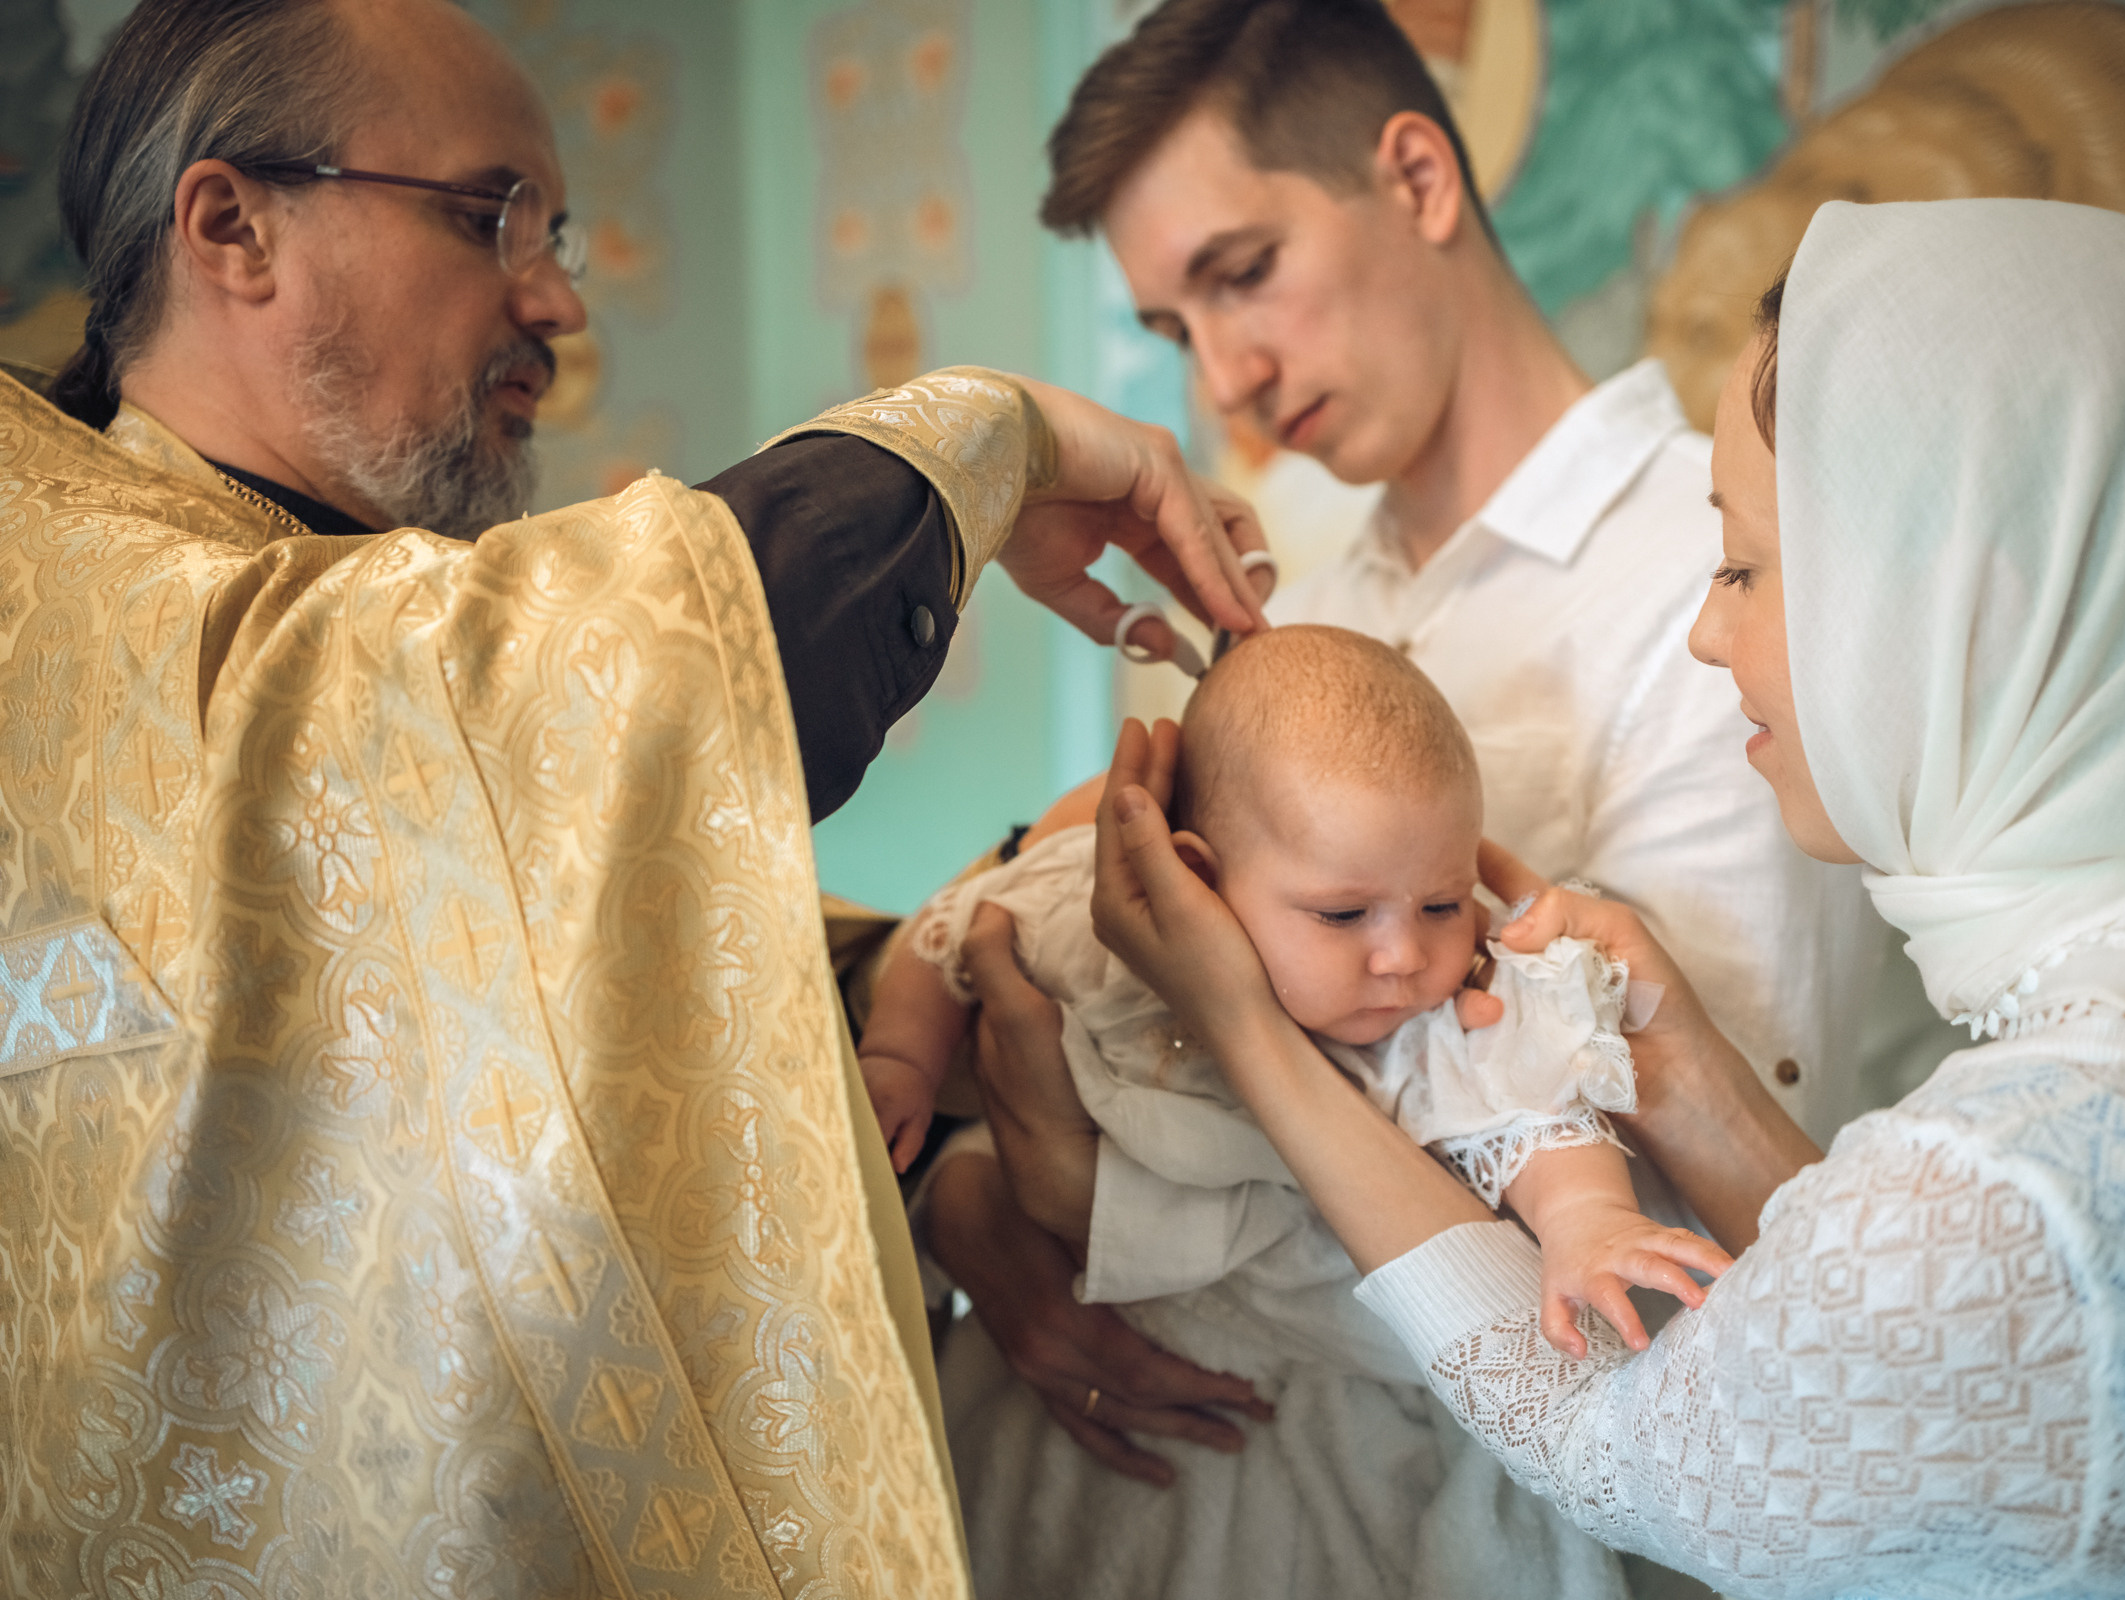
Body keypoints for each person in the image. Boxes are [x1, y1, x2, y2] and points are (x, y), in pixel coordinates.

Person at [0, 0, 1269, 1594]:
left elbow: (565, 989)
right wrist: (987, 434)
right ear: (233, 225)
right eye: (489, 220)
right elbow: (536, 694)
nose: (559, 303)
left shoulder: (315, 609)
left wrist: (983, 940)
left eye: (561, 234)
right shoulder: (53, 586)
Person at [1066, 198, 2125, 1595]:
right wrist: (1689, 1074)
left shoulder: (2011, 1191)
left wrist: (1248, 1030)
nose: (1707, 631)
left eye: (1747, 568)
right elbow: (1930, 1359)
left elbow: (1617, 1441)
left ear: (1964, 605)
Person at [921, 0, 1943, 1499]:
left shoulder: (1716, 582)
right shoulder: (1294, 633)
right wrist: (968, 1202)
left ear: (1417, 177)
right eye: (1173, 330)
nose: (1225, 381)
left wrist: (1098, 1226)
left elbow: (1660, 1260)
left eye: (1243, 276)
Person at [867, 625, 1726, 1597]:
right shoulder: (1096, 931)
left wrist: (1589, 1220)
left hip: (1340, 1375)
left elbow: (1527, 1115)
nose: (1401, 956)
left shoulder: (1432, 1020)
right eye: (1342, 914)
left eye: (1442, 905)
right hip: (1091, 1343)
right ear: (1195, 873)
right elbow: (957, 931)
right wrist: (899, 1054)